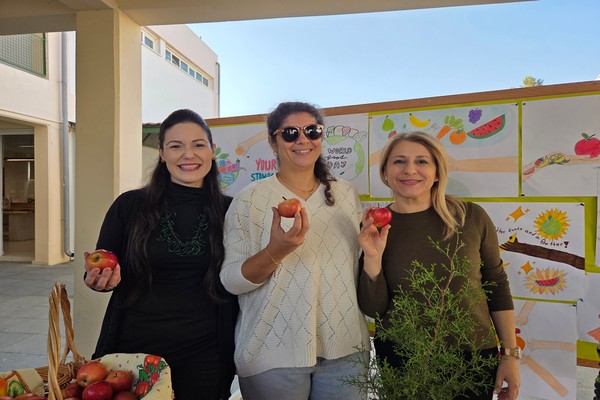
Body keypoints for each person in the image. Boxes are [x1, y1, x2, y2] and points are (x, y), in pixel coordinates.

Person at [220, 101, 370, 400]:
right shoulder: (249, 200)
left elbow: (355, 270)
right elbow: (232, 281)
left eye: (312, 131)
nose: (303, 139)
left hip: (346, 352)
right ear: (272, 142)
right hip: (271, 354)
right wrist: (275, 251)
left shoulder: (346, 194)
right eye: (290, 133)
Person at [83, 109, 237, 400]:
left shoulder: (231, 210)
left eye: (198, 145)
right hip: (135, 350)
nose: (188, 154)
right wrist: (99, 280)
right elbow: (101, 265)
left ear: (212, 150)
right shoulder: (129, 206)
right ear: (162, 153)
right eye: (176, 146)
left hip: (205, 353)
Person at [357, 131, 521, 400]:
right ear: (385, 172)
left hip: (471, 359)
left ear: (436, 172)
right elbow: (373, 309)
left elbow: (496, 286)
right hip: (401, 357)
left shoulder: (470, 217)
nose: (410, 170)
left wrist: (510, 355)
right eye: (399, 161)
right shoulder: (375, 227)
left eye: (422, 161)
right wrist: (373, 258)